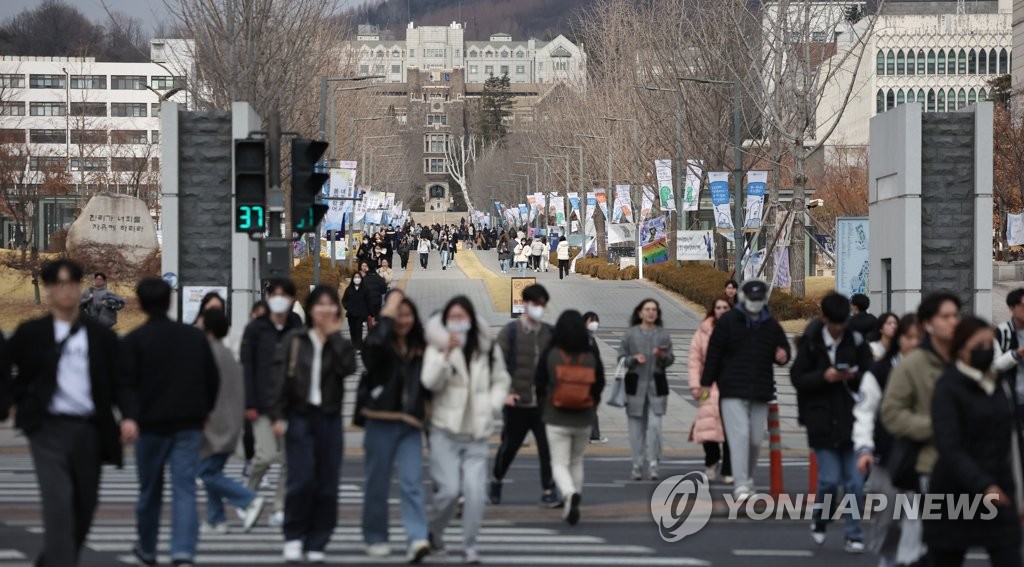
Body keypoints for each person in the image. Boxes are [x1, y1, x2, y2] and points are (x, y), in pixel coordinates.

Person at [5, 259, 136, 567]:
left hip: (89, 430)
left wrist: (129, 415)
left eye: (71, 283)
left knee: (84, 506)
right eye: (58, 284)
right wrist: (11, 403)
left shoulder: (100, 336)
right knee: (58, 503)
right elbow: (6, 372)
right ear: (49, 291)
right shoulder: (32, 334)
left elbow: (122, 380)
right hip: (47, 429)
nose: (65, 291)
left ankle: (52, 560)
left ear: (80, 288)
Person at [123, 278, 220, 567]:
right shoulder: (194, 338)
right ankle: (183, 552)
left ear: (140, 304)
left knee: (149, 490)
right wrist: (204, 412)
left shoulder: (134, 341)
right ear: (169, 302)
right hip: (188, 424)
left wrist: (129, 416)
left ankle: (148, 546)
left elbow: (125, 384)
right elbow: (211, 379)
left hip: (149, 426)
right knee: (185, 489)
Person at [268, 286, 357, 563]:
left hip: (329, 419)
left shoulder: (338, 343)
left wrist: (334, 337)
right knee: (301, 479)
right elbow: (279, 381)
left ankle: (318, 539)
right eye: (320, 304)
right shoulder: (295, 340)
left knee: (327, 484)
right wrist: (278, 416)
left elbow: (349, 368)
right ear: (310, 309)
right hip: (299, 417)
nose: (325, 309)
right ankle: (294, 535)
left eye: (331, 305)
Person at [927, 317, 1023, 567]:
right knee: (945, 558)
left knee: (1009, 557)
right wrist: (983, 485)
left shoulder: (1000, 384)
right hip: (955, 495)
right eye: (978, 345)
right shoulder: (948, 387)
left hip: (1000, 494)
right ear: (960, 349)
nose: (986, 350)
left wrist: (1018, 494)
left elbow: (1012, 442)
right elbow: (949, 446)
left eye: (989, 344)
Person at [421, 296, 511, 565]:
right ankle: (435, 533)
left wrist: (492, 406)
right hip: (444, 429)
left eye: (462, 317)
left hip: (476, 431)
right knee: (448, 491)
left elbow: (501, 379)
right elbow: (429, 382)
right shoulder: (437, 347)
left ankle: (470, 545)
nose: (457, 323)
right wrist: (447, 355)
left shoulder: (485, 347)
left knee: (474, 493)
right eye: (453, 318)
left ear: (471, 320)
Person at [881, 292, 962, 567]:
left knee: (952, 545)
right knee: (920, 538)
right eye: (945, 316)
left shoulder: (964, 361)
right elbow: (891, 413)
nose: (953, 322)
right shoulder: (912, 365)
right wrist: (935, 428)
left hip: (966, 467)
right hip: (926, 466)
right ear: (929, 323)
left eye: (955, 316)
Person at [790, 293, 873, 554]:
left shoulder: (856, 340)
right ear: (825, 318)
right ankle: (821, 518)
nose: (839, 328)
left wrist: (853, 376)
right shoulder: (812, 342)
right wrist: (823, 376)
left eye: (843, 322)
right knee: (828, 480)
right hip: (821, 420)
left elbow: (871, 377)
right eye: (835, 323)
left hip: (852, 421)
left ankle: (854, 533)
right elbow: (798, 378)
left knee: (855, 483)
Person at [357, 290, 432, 562]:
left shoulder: (420, 346)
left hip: (410, 423)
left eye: (407, 314)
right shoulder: (380, 344)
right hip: (380, 421)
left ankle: (417, 537)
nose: (403, 320)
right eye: (397, 314)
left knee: (412, 483)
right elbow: (370, 353)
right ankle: (375, 536)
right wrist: (385, 318)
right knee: (377, 483)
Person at [700, 279, 790, 499]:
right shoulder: (729, 321)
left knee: (755, 439)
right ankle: (740, 484)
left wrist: (783, 355)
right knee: (739, 434)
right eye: (752, 299)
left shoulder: (770, 323)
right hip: (731, 388)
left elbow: (783, 349)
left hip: (760, 388)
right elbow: (714, 354)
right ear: (743, 298)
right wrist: (705, 384)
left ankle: (747, 477)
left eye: (759, 300)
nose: (755, 304)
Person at [853, 314, 922, 566]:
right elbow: (864, 411)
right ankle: (887, 556)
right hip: (887, 454)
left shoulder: (936, 370)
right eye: (908, 337)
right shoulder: (880, 371)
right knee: (889, 515)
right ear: (899, 339)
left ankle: (911, 558)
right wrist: (864, 448)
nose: (914, 343)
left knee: (917, 517)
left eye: (919, 338)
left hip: (923, 455)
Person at [196, 308, 265, 535]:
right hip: (230, 423)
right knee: (212, 471)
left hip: (215, 424)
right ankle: (217, 519)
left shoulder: (207, 352)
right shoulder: (225, 353)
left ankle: (248, 499)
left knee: (206, 472)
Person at [241, 279, 303, 527]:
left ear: (291, 299)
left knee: (289, 461)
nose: (279, 299)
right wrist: (250, 403)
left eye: (284, 295)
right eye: (274, 294)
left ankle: (280, 506)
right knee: (264, 456)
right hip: (263, 403)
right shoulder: (256, 328)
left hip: (291, 404)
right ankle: (247, 496)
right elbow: (248, 367)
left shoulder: (297, 326)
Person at [491, 284, 559, 507]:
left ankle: (548, 490)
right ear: (526, 304)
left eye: (542, 304)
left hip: (542, 403)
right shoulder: (510, 332)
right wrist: (506, 394)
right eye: (535, 303)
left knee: (547, 448)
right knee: (509, 446)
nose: (538, 308)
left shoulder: (550, 333)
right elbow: (496, 366)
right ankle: (497, 479)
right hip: (517, 402)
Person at [535, 310, 605, 525]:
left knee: (558, 463)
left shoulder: (552, 353)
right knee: (576, 461)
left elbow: (539, 383)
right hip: (583, 417)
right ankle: (571, 504)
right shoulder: (590, 354)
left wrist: (544, 406)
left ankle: (567, 493)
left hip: (556, 416)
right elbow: (599, 384)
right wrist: (591, 405)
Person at [618, 299, 676, 480]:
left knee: (655, 427)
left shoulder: (663, 335)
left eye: (654, 310)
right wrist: (633, 359)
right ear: (640, 312)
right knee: (636, 430)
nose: (651, 312)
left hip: (656, 386)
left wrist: (662, 356)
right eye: (647, 309)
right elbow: (621, 359)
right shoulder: (630, 334)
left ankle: (653, 463)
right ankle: (637, 464)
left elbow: (670, 359)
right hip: (635, 386)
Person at [688, 296, 733, 483]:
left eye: (725, 307)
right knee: (707, 426)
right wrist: (695, 385)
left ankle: (729, 468)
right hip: (708, 386)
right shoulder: (704, 331)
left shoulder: (737, 329)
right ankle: (711, 461)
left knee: (731, 429)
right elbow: (694, 360)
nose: (722, 310)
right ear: (713, 310)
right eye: (718, 307)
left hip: (731, 386)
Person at [994, 287, 1024, 412]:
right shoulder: (1002, 332)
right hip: (1011, 400)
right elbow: (994, 365)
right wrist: (1016, 354)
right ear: (1012, 307)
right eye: (1023, 306)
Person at [583, 312, 607, 444]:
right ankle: (592, 435)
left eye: (596, 321)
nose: (594, 323)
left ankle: (593, 435)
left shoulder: (591, 337)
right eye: (591, 320)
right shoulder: (584, 338)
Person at [342, 274, 371, 348]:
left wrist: (368, 312)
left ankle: (359, 346)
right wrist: (347, 307)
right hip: (351, 314)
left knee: (358, 329)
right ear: (353, 279)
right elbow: (344, 300)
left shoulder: (365, 289)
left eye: (358, 277)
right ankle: (354, 344)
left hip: (361, 314)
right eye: (355, 277)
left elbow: (368, 301)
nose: (357, 279)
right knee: (352, 329)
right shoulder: (349, 289)